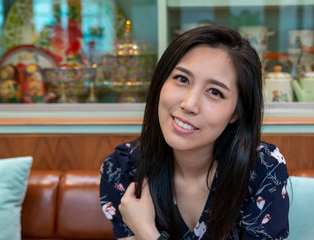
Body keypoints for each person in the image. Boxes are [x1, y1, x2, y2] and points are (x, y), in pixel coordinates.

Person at [100, 25, 289, 240]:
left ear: (236, 112)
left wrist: (147, 232)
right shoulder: (123, 169)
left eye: (215, 92)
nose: (189, 104)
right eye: (182, 79)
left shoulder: (263, 169)